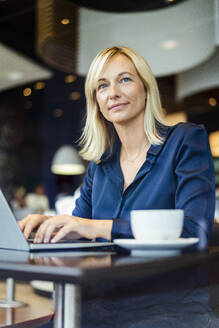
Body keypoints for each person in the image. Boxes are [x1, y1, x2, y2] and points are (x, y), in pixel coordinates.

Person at [19, 46, 215, 246]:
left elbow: (195, 231)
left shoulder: (185, 140)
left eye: (125, 79)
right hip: (102, 277)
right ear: (97, 101)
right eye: (102, 86)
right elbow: (78, 228)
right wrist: (49, 225)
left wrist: (96, 227)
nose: (113, 93)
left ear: (146, 89)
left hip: (166, 277)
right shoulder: (99, 167)